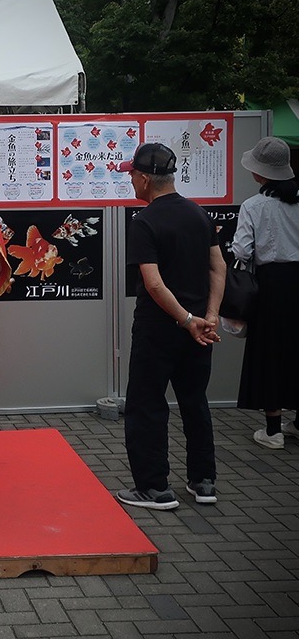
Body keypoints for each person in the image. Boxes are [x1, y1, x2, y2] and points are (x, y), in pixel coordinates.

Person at [117, 142, 226, 510]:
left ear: (145, 179)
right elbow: (218, 267)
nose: (131, 181)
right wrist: (208, 317)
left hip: (160, 329)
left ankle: (154, 488)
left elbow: (154, 283)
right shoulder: (199, 215)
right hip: (198, 331)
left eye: (132, 175)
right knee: (195, 402)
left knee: (146, 405)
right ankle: (204, 481)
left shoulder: (144, 222)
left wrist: (186, 320)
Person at [231, 136, 299, 449]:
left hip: (272, 285)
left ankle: (273, 431)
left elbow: (242, 251)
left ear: (262, 174)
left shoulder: (254, 206)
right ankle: (296, 424)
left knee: (270, 351)